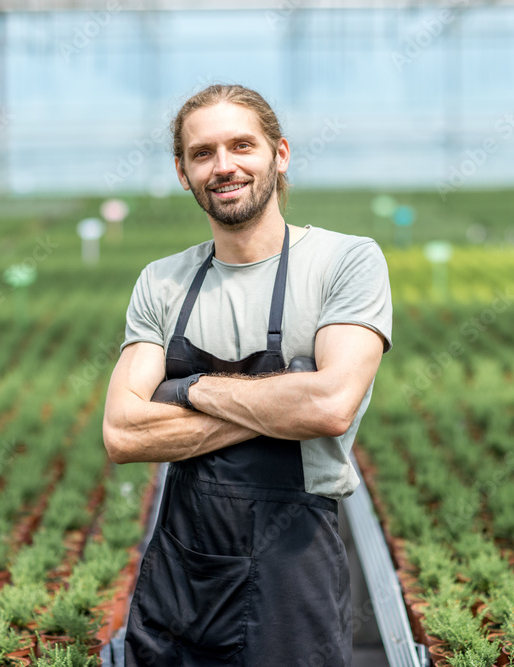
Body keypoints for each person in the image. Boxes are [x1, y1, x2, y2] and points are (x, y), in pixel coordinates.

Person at [102, 84, 393, 667]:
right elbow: (123, 434)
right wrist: (285, 402)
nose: (224, 166)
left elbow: (330, 407)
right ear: (183, 172)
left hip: (293, 573)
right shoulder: (163, 282)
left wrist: (187, 390)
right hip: (182, 574)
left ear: (279, 154)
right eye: (202, 153)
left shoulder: (345, 262)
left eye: (242, 145)